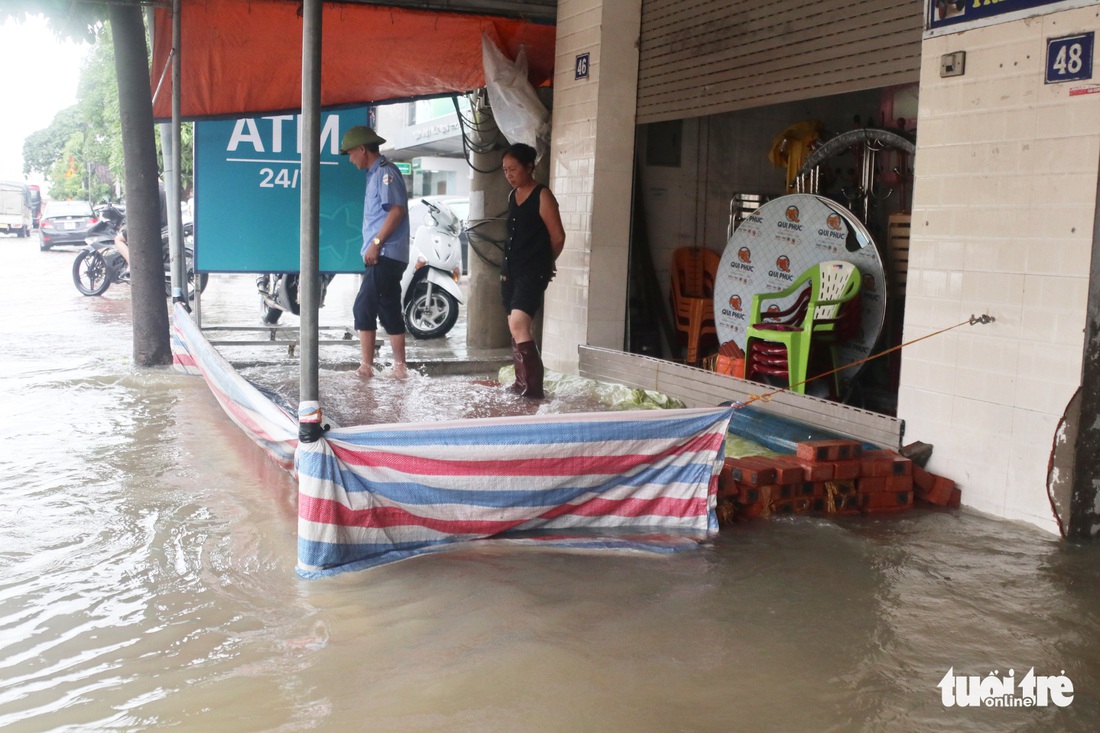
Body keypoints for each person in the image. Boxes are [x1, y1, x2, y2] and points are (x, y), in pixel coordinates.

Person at [340, 125, 410, 379]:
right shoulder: (374, 174)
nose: (349, 159)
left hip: (386, 254)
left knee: (363, 306)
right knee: (388, 306)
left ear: (362, 149)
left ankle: (366, 368)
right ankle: (400, 368)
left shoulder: (384, 173)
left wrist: (376, 243)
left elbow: (396, 210)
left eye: (350, 153)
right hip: (385, 254)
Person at [500, 142, 566, 398]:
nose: (509, 174)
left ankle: (532, 389)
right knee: (514, 325)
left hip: (532, 271)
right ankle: (521, 383)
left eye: (513, 169)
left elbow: (558, 236)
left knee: (518, 323)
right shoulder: (512, 196)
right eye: (505, 170)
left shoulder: (542, 195)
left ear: (530, 167)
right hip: (510, 270)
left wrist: (546, 262)